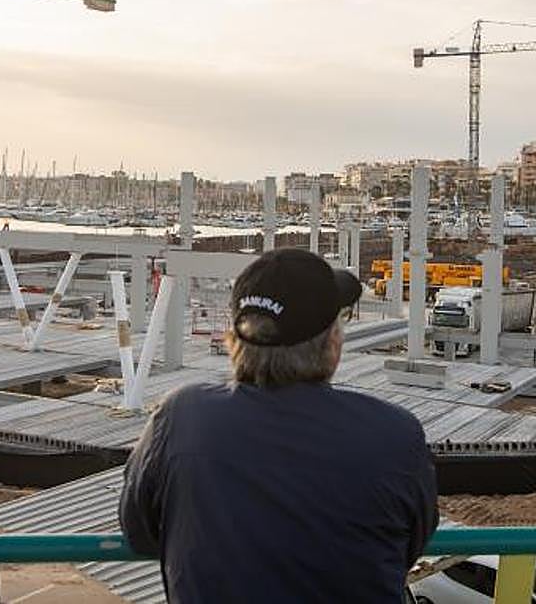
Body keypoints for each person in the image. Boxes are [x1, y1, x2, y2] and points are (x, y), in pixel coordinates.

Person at [120, 248, 438, 603]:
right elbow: (412, 542)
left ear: (234, 339)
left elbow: (139, 532)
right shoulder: (394, 434)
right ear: (332, 342)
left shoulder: (182, 417)